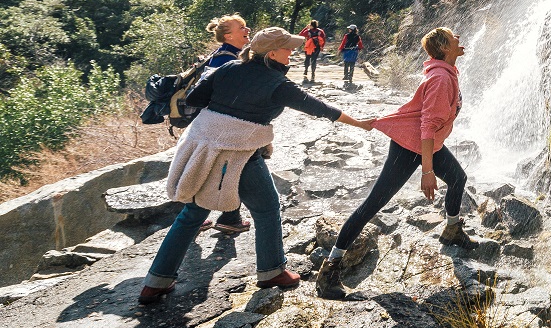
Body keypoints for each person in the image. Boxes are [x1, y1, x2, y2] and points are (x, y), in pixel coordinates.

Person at [138, 27, 375, 305]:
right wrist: (360, 123)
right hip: (238, 153)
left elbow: (194, 100)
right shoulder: (277, 83)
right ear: (272, 53)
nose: (292, 53)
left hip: (204, 146)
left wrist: (225, 111)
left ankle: (155, 282)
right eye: (287, 48)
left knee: (192, 213)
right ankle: (271, 272)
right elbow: (319, 108)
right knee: (266, 207)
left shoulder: (228, 67)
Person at [316, 27, 474, 300]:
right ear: (445, 48)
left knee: (458, 178)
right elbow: (427, 125)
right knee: (373, 204)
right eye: (453, 37)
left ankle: (451, 229)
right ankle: (329, 269)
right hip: (410, 146)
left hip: (427, 144)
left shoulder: (445, 73)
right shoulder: (440, 79)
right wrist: (427, 171)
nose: (459, 38)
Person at [202, 14, 254, 235]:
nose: (247, 29)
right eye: (241, 27)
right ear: (228, 35)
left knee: (221, 169)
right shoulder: (227, 60)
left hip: (218, 127)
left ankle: (202, 216)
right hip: (223, 128)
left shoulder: (227, 56)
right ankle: (229, 217)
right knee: (233, 169)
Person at [299, 19, 326, 84]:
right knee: (314, 60)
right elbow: (323, 38)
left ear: (311, 25)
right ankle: (313, 73)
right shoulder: (320, 31)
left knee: (307, 58)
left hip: (309, 47)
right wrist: (322, 46)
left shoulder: (308, 31)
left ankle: (306, 70)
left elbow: (300, 34)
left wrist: (306, 27)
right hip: (317, 48)